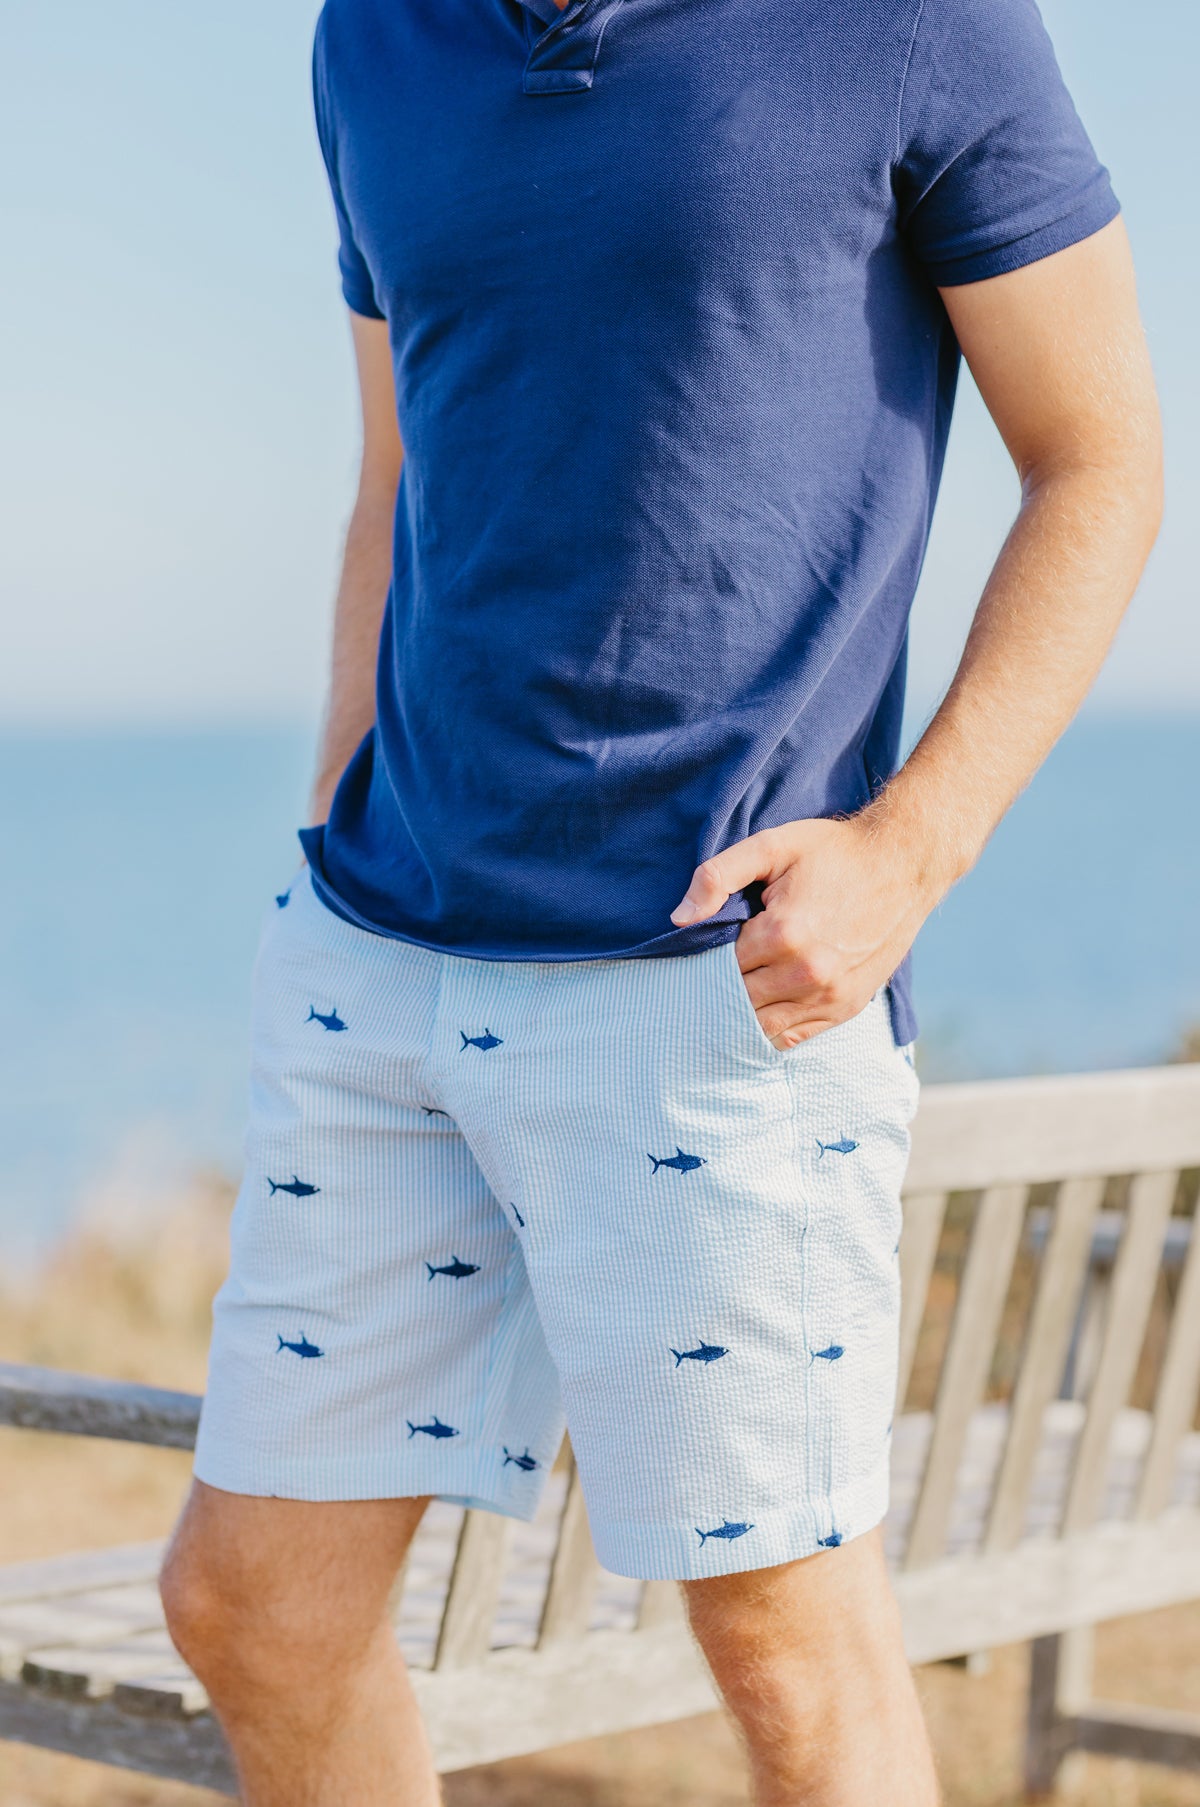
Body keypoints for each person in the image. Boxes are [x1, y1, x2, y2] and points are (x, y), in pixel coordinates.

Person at [159, 0, 1162, 1796]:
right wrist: (334, 803)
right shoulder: (371, 35)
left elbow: (1104, 456)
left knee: (786, 1648)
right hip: (379, 961)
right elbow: (398, 472)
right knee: (256, 1610)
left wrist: (912, 848)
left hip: (713, 985)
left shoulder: (915, 19)